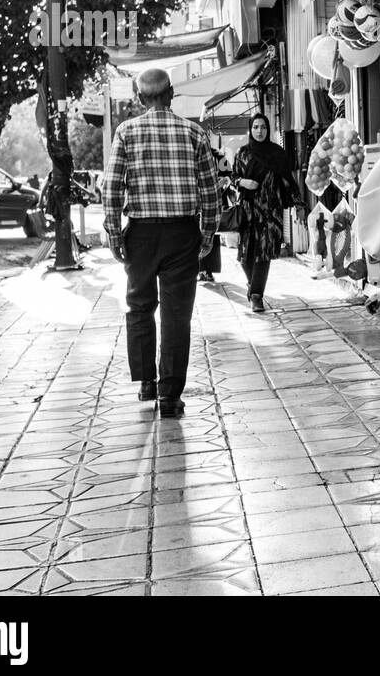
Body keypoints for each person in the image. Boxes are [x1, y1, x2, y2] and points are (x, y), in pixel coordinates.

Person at [102, 68, 219, 418]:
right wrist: (208, 232)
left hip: (141, 232)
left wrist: (112, 231)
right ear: (171, 94)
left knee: (139, 306)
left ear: (140, 99)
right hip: (182, 233)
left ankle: (146, 382)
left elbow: (111, 188)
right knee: (176, 314)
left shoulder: (126, 131)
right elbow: (209, 189)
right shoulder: (194, 132)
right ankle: (170, 396)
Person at [233, 114, 299, 313]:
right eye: (255, 127)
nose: (259, 131)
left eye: (263, 127)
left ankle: (256, 296)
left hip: (271, 212)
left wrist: (299, 204)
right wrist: (243, 182)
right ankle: (253, 285)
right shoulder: (243, 153)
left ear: (268, 129)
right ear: (250, 130)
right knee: (245, 256)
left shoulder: (277, 153)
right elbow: (234, 176)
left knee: (263, 254)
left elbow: (288, 180)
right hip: (248, 211)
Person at [199, 145, 231, 283]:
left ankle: (209, 271)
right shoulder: (194, 151)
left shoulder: (219, 156)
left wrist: (222, 182)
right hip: (198, 203)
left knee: (212, 237)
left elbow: (229, 175)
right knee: (197, 237)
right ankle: (200, 270)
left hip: (216, 201)